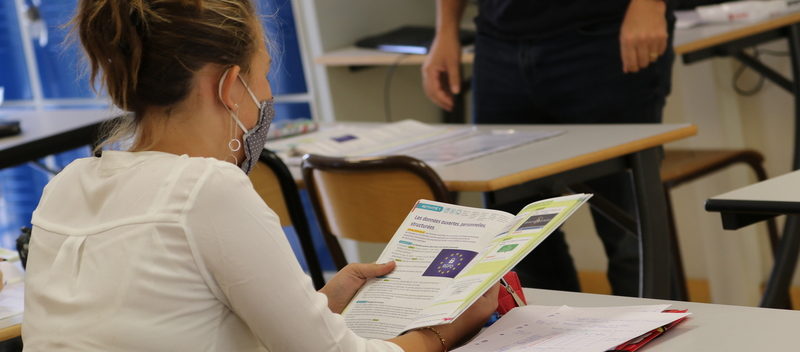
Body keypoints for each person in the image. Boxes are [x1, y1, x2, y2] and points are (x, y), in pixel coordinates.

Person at [21, 1, 498, 351]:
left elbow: (176, 322)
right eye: (264, 74)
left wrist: (318, 304)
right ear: (229, 86)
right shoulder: (207, 188)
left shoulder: (65, 184)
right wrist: (451, 327)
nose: (267, 93)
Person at [422, 0, 674, 296]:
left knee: (628, 234)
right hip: (498, 43)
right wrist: (446, 30)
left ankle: (658, 337)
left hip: (605, 36)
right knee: (518, 240)